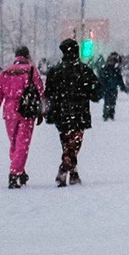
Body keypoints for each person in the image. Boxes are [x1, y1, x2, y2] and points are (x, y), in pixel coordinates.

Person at [0, 46, 44, 189]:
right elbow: (40, 91)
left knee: (14, 143)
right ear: (27, 56)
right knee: (22, 144)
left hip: (9, 112)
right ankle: (14, 173)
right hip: (26, 110)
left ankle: (20, 171)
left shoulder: (5, 72)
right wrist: (41, 111)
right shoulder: (31, 71)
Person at [46, 41, 99, 187]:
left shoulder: (55, 71)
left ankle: (74, 174)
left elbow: (48, 92)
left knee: (67, 143)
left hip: (60, 112)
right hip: (79, 112)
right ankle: (64, 168)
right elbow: (96, 92)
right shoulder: (84, 70)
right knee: (74, 143)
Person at [96, 52, 125, 122]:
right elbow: (101, 78)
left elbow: (119, 78)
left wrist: (122, 86)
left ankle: (111, 113)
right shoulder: (106, 69)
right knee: (107, 101)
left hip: (112, 88)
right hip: (107, 88)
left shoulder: (115, 70)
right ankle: (106, 114)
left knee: (113, 101)